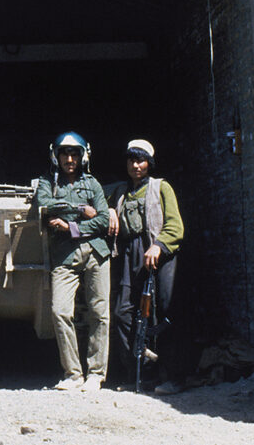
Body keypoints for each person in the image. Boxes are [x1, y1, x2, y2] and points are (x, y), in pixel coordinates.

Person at [34, 132, 119, 391]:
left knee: (99, 312)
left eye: (74, 154)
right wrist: (85, 209)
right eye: (65, 154)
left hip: (95, 252)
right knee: (60, 311)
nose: (69, 159)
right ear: (56, 156)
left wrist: (70, 223)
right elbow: (45, 205)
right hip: (64, 255)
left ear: (83, 156)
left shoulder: (92, 184)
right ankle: (72, 373)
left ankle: (96, 373)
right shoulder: (47, 182)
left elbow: (103, 219)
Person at [112, 138, 185, 395]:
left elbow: (176, 226)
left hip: (159, 253)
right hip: (130, 254)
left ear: (149, 163)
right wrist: (110, 210)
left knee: (162, 313)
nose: (136, 165)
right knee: (123, 313)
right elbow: (97, 196)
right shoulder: (120, 190)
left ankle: (172, 376)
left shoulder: (161, 187)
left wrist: (159, 245)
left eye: (141, 160)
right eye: (131, 160)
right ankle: (139, 374)